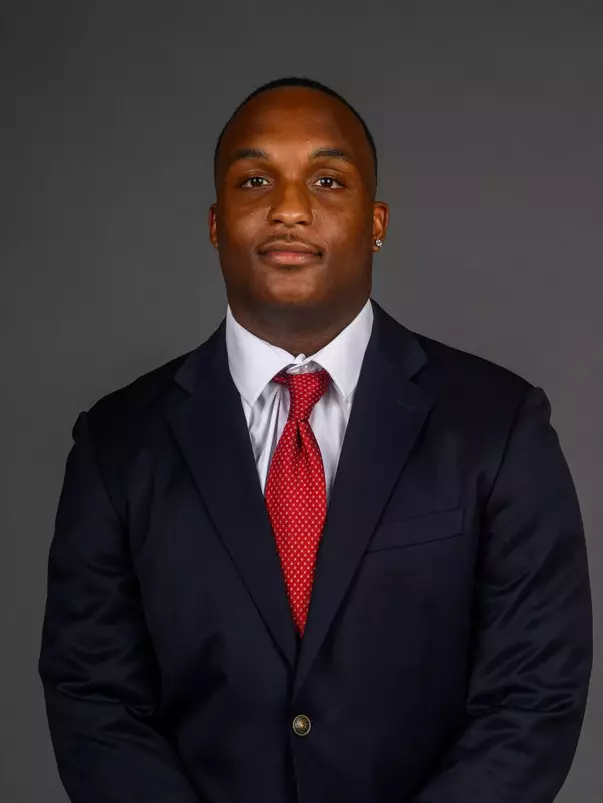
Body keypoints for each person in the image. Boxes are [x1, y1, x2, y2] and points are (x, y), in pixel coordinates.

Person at [38, 76, 593, 803]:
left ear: (376, 220)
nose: (290, 208)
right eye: (254, 179)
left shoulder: (497, 426)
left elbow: (532, 696)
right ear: (214, 222)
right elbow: (94, 700)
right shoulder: (116, 445)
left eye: (327, 179)